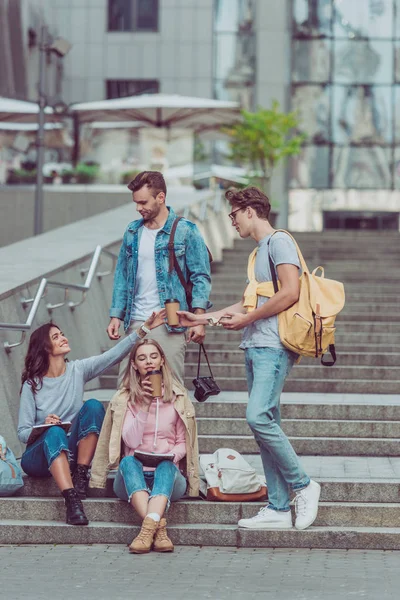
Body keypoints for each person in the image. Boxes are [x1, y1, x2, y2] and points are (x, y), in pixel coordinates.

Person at [177, 186, 321, 531]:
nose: (232, 222)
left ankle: (303, 485)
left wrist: (249, 319)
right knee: (265, 423)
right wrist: (200, 318)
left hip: (274, 345)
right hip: (256, 345)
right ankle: (278, 506)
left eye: (234, 215)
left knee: (258, 417)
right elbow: (247, 305)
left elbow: (291, 292)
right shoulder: (259, 254)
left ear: (250, 211)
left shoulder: (279, 242)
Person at [17, 310, 166, 527]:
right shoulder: (32, 385)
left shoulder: (77, 370)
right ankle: (71, 500)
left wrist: (143, 329)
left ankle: (80, 474)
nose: (63, 338)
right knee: (55, 431)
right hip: (38, 457)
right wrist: (43, 426)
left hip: (70, 452)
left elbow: (113, 355)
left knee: (94, 406)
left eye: (62, 334)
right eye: (56, 337)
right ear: (45, 347)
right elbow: (22, 433)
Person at [90, 338, 199, 554]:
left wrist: (170, 456)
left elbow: (183, 443)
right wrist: (145, 406)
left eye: (153, 356)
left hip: (168, 477)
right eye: (142, 358)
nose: (148, 362)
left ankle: (147, 532)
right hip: (132, 477)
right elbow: (130, 441)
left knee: (166, 467)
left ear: (161, 361)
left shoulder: (178, 398)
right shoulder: (126, 399)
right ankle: (158, 530)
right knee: (129, 460)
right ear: (134, 365)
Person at [107, 170, 211, 384]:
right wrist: (116, 315)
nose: (138, 208)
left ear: (161, 197)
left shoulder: (186, 231)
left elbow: (201, 277)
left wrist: (199, 320)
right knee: (127, 390)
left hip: (169, 323)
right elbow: (122, 276)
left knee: (169, 390)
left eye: (143, 202)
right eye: (136, 203)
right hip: (136, 322)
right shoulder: (133, 232)